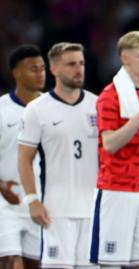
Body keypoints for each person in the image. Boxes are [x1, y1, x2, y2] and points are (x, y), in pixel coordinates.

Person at [18, 42, 98, 268]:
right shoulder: (37, 109)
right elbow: (24, 158)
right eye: (71, 64)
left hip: (92, 208)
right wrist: (32, 200)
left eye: (81, 63)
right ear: (54, 69)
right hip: (56, 210)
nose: (79, 69)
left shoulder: (97, 104)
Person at [90, 31, 139, 268]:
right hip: (116, 191)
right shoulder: (109, 97)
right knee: (111, 264)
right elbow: (110, 143)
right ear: (124, 58)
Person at [0, 44, 44, 269]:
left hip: (42, 201)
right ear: (16, 72)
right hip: (6, 201)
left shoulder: (52, 107)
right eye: (33, 69)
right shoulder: (2, 110)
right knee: (11, 261)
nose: (40, 73)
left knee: (34, 263)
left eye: (42, 68)